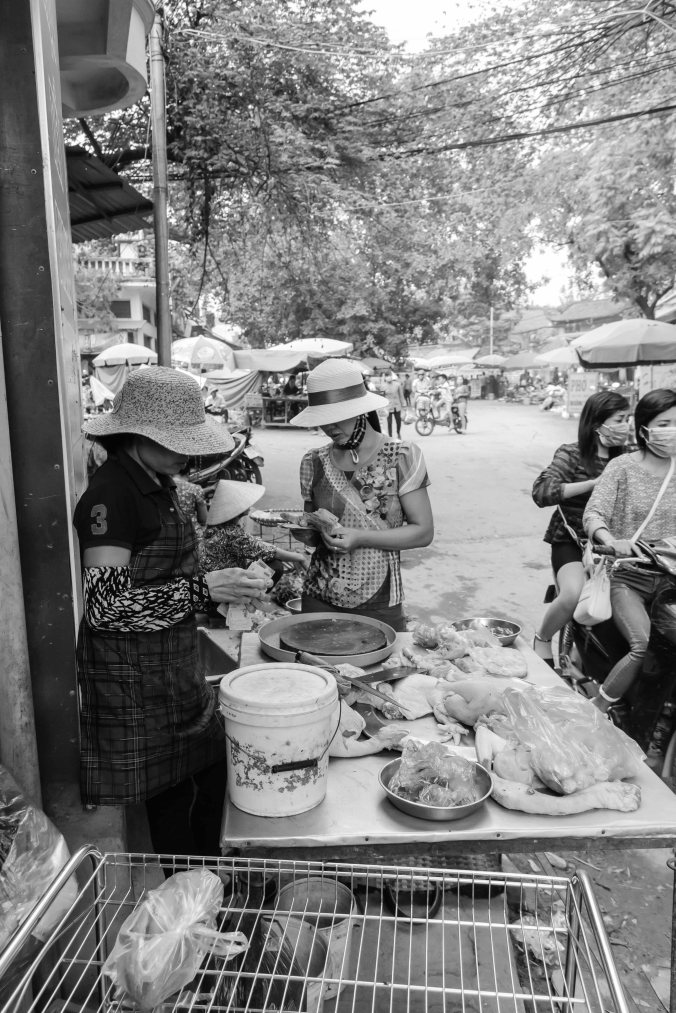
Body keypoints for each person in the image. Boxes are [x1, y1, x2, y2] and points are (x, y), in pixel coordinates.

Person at [73, 366, 271, 858]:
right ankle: (186, 903)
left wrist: (229, 585)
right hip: (132, 681)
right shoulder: (110, 498)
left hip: (174, 664)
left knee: (208, 778)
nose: (188, 451)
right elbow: (106, 607)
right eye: (176, 439)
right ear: (136, 434)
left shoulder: (164, 483)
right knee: (172, 802)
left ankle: (211, 881)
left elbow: (174, 571)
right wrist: (203, 591)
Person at [289, 359, 434, 631]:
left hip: (379, 601)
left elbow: (423, 532)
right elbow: (313, 525)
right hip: (319, 594)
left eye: (337, 416)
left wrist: (362, 537)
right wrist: (305, 529)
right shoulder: (313, 461)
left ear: (360, 411)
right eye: (323, 419)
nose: (329, 427)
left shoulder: (401, 456)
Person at [583, 388, 676, 711]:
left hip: (670, 579)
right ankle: (598, 708)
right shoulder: (622, 467)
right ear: (645, 427)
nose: (672, 430)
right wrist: (610, 541)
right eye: (665, 423)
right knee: (644, 644)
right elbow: (594, 513)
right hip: (628, 576)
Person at [531, 390, 631, 667]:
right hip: (572, 541)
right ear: (598, 423)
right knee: (573, 593)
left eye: (628, 418)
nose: (626, 425)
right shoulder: (572, 453)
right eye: (620, 419)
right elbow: (542, 492)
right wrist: (594, 483)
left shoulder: (631, 456)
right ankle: (542, 637)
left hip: (618, 545)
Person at [201, 479, 308, 573]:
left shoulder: (216, 528)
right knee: (276, 566)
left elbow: (255, 543)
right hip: (222, 581)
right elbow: (269, 551)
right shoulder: (232, 533)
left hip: (212, 574)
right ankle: (248, 595)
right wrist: (300, 558)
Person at [382, 371, 406, 439]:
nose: (388, 377)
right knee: (389, 423)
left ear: (391, 376)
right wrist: (382, 408)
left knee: (398, 421)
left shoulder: (397, 385)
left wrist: (404, 405)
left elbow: (401, 395)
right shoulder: (383, 386)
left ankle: (398, 433)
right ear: (385, 377)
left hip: (397, 406)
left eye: (389, 375)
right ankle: (390, 437)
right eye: (386, 376)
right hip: (388, 407)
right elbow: (382, 397)